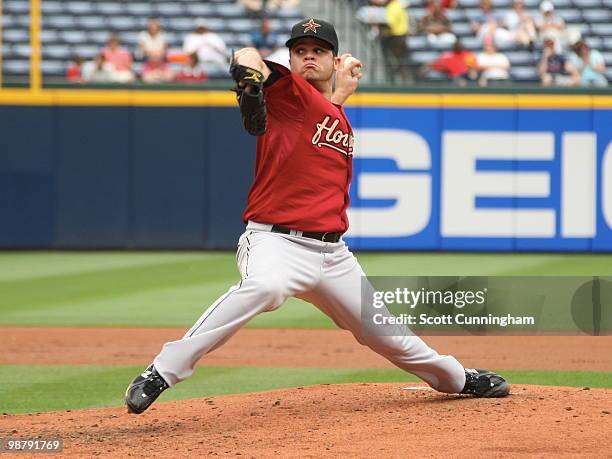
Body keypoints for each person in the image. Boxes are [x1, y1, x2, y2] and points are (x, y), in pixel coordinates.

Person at [124, 17, 510, 415]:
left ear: (334, 59)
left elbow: (318, 121)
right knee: (265, 288)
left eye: (318, 51)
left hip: (332, 255)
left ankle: (457, 379)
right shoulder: (289, 91)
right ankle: (162, 370)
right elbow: (245, 54)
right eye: (300, 52)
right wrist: (250, 80)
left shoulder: (332, 111)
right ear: (289, 60)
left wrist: (341, 92)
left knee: (387, 333)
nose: (308, 57)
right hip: (276, 241)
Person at [381, 0, 413, 84]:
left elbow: (390, 23)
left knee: (397, 62)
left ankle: (401, 81)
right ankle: (405, 81)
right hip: (401, 36)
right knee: (401, 61)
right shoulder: (398, 5)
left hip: (396, 37)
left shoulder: (393, 6)